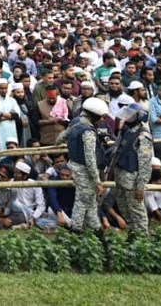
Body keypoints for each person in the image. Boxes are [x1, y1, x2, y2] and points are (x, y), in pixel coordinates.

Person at [61, 96, 109, 234]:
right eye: (100, 117)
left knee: (90, 203)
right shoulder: (88, 132)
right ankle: (76, 232)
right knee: (82, 204)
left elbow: (61, 137)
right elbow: (90, 159)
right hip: (84, 171)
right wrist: (97, 181)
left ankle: (95, 231)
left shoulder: (75, 122)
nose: (102, 120)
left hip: (75, 166)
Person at [112, 105, 153, 234]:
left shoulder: (142, 136)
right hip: (121, 178)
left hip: (132, 181)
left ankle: (142, 238)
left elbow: (145, 164)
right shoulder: (125, 131)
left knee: (137, 211)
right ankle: (133, 234)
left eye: (131, 115)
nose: (127, 117)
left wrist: (140, 186)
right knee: (124, 207)